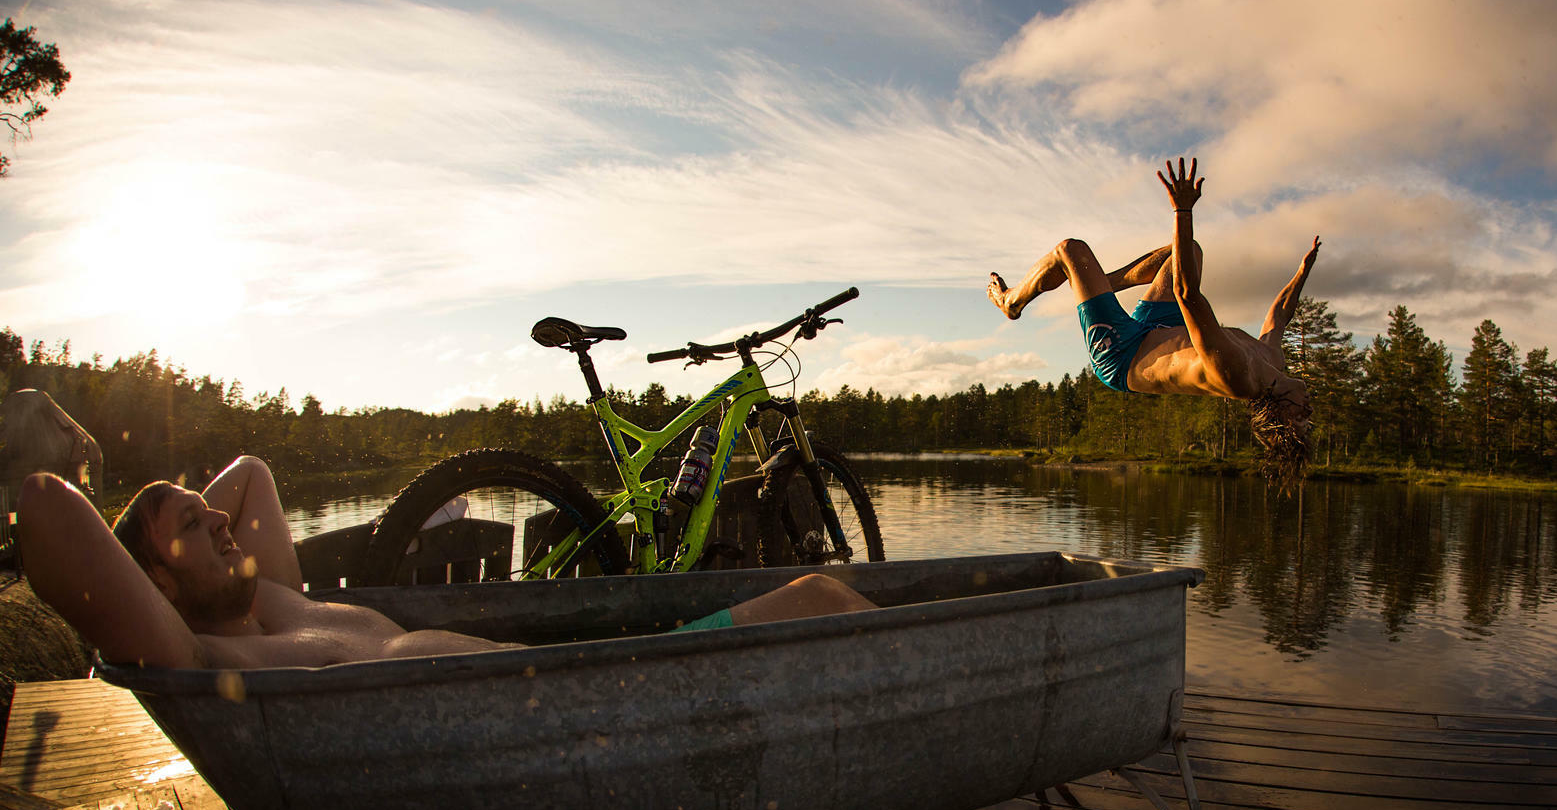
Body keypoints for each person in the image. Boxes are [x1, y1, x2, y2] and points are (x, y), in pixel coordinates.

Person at [16, 455, 876, 671]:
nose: (226, 524)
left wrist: (187, 520)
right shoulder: (197, 654)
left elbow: (253, 475)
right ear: (156, 586)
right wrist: (155, 534)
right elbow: (47, 502)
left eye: (217, 520)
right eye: (202, 532)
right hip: (586, 706)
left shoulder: (274, 602)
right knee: (823, 596)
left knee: (822, 596)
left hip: (588, 685)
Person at [988, 157, 1319, 481]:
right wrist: (1303, 271)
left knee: (1070, 250)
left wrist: (1182, 210)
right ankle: (1098, 283)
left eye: (1302, 419)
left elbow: (1187, 294)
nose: (1310, 411)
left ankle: (1011, 302)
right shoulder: (1272, 359)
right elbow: (1279, 316)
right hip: (1161, 328)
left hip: (1124, 357)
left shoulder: (1235, 374)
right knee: (1186, 251)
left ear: (1279, 413)